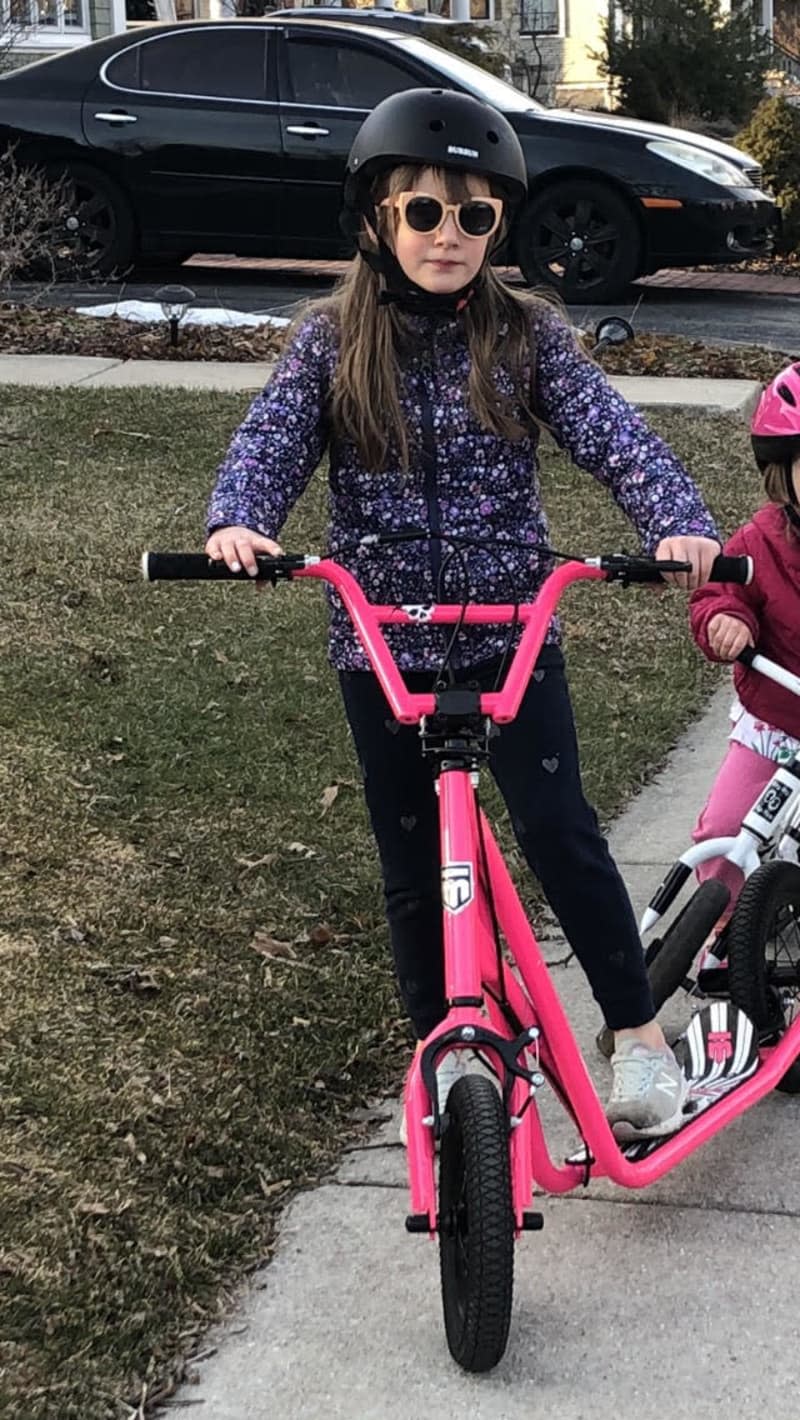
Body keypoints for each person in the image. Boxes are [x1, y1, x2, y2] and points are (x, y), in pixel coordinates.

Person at [205, 88, 721, 1141]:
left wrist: (674, 521)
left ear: (499, 226)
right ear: (375, 222)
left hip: (508, 630)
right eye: (424, 212)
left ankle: (636, 1037)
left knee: (560, 832)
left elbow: (613, 436)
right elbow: (269, 442)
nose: (449, 236)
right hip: (381, 643)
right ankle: (442, 1049)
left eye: (474, 216)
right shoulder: (326, 343)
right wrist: (240, 521)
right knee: (409, 862)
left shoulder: (524, 337)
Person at [689, 363, 800, 933]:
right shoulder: (758, 542)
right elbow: (719, 592)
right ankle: (725, 939)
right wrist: (727, 619)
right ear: (783, 473)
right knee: (723, 834)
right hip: (777, 724)